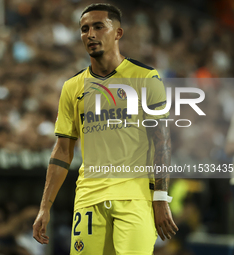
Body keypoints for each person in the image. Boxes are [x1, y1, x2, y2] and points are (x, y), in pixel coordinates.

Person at [33, 3, 178, 254]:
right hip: (89, 199)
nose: (90, 34)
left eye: (99, 27)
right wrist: (45, 207)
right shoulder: (72, 87)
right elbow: (62, 151)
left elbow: (161, 142)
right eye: (84, 29)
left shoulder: (146, 78)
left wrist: (161, 198)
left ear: (118, 33)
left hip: (135, 199)